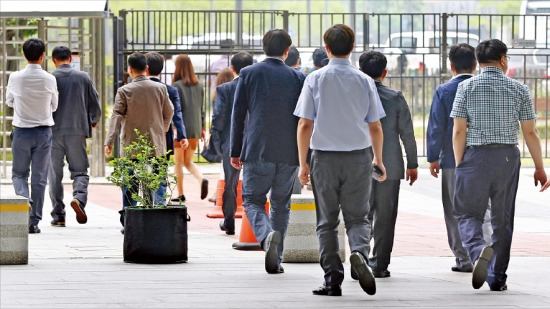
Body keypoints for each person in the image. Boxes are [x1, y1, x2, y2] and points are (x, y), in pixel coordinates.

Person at [295, 24, 386, 296]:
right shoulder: (365, 80)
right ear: (353, 48)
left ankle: (332, 279)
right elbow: (375, 126)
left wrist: (303, 163)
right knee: (358, 218)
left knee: (327, 221)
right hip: (359, 157)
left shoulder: (315, 79)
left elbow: (304, 124)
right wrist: (378, 159)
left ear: (326, 48)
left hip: (324, 158)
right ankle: (359, 253)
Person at [450, 39, 548, 292]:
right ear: (503, 60)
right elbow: (531, 132)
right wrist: (539, 166)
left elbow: (459, 130)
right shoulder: (519, 89)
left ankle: (477, 250)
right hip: (506, 158)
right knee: (502, 219)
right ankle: (497, 277)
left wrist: (462, 163)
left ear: (479, 61)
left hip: (474, 156)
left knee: (466, 213)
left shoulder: (467, 88)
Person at [230, 29, 306, 274]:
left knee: (252, 200)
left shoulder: (248, 73)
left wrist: (235, 149)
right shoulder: (297, 78)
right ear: (287, 50)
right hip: (289, 151)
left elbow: (238, 114)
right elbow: (304, 118)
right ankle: (277, 258)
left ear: (263, 47)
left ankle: (266, 236)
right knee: (281, 205)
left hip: (257, 149)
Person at [427, 43, 492, 273]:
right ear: (475, 65)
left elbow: (436, 126)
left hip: (453, 162)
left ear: (450, 66)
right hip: (483, 158)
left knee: (454, 211)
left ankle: (463, 259)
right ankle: (483, 253)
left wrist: (433, 157)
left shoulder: (443, 91)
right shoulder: (484, 87)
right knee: (482, 210)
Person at [358, 50, 418, 279]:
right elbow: (408, 133)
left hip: (358, 163)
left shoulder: (354, 96)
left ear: (360, 71)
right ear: (385, 72)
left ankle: (359, 256)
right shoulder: (394, 98)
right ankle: (379, 264)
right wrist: (412, 163)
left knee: (360, 215)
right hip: (390, 165)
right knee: (385, 216)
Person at [105, 52, 174, 225]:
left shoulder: (125, 91)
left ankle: (129, 221)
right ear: (147, 68)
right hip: (156, 146)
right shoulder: (160, 88)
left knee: (130, 186)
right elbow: (169, 112)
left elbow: (116, 116)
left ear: (130, 70)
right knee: (156, 184)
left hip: (131, 147)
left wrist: (109, 141)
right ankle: (155, 220)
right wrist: (162, 130)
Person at [6, 38, 58, 234]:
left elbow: (9, 101)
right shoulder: (49, 79)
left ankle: (23, 199)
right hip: (43, 132)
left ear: (23, 54)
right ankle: (33, 221)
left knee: (19, 174)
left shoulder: (15, 77)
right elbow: (55, 106)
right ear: (43, 56)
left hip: (21, 131)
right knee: (39, 177)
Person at [48, 46, 101, 227]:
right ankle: (78, 197)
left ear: (53, 60)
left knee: (54, 175)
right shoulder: (83, 77)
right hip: (77, 131)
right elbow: (95, 102)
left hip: (53, 132)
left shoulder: (50, 79)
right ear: (70, 58)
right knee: (80, 171)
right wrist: (93, 120)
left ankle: (58, 215)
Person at [210, 52, 253, 235]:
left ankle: (229, 222)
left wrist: (216, 135)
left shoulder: (225, 89)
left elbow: (219, 116)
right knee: (254, 181)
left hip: (230, 139)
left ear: (232, 68)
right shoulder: (256, 87)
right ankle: (252, 222)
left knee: (230, 183)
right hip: (254, 139)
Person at [145, 52, 189, 205]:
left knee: (145, 172)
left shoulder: (136, 88)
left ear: (146, 68)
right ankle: (159, 205)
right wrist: (182, 135)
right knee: (160, 173)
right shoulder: (170, 90)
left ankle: (148, 204)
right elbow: (177, 114)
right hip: (164, 137)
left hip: (142, 138)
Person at [171, 54, 208, 203]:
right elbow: (202, 108)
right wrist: (203, 127)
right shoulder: (199, 85)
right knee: (189, 161)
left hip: (181, 130)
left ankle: (180, 194)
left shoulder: (176, 86)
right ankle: (201, 179)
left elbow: (174, 109)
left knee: (178, 163)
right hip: (196, 128)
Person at [206, 67, 235, 203]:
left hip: (224, 134)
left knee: (225, 166)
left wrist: (214, 132)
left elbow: (217, 115)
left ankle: (217, 194)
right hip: (236, 132)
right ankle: (217, 194)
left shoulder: (218, 94)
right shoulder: (236, 90)